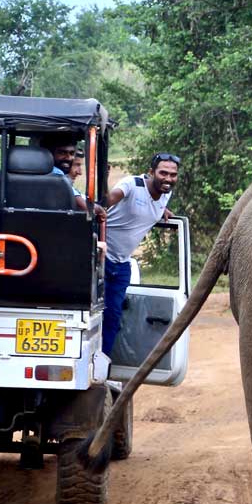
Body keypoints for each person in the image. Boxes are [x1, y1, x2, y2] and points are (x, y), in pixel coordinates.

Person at [101, 152, 180, 354]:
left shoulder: (165, 193)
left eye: (173, 175)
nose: (168, 179)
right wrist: (103, 180)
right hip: (101, 258)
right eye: (163, 173)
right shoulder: (132, 185)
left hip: (122, 266)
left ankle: (102, 369)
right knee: (91, 316)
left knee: (112, 318)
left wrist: (163, 210)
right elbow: (108, 200)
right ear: (151, 172)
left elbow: (153, 205)